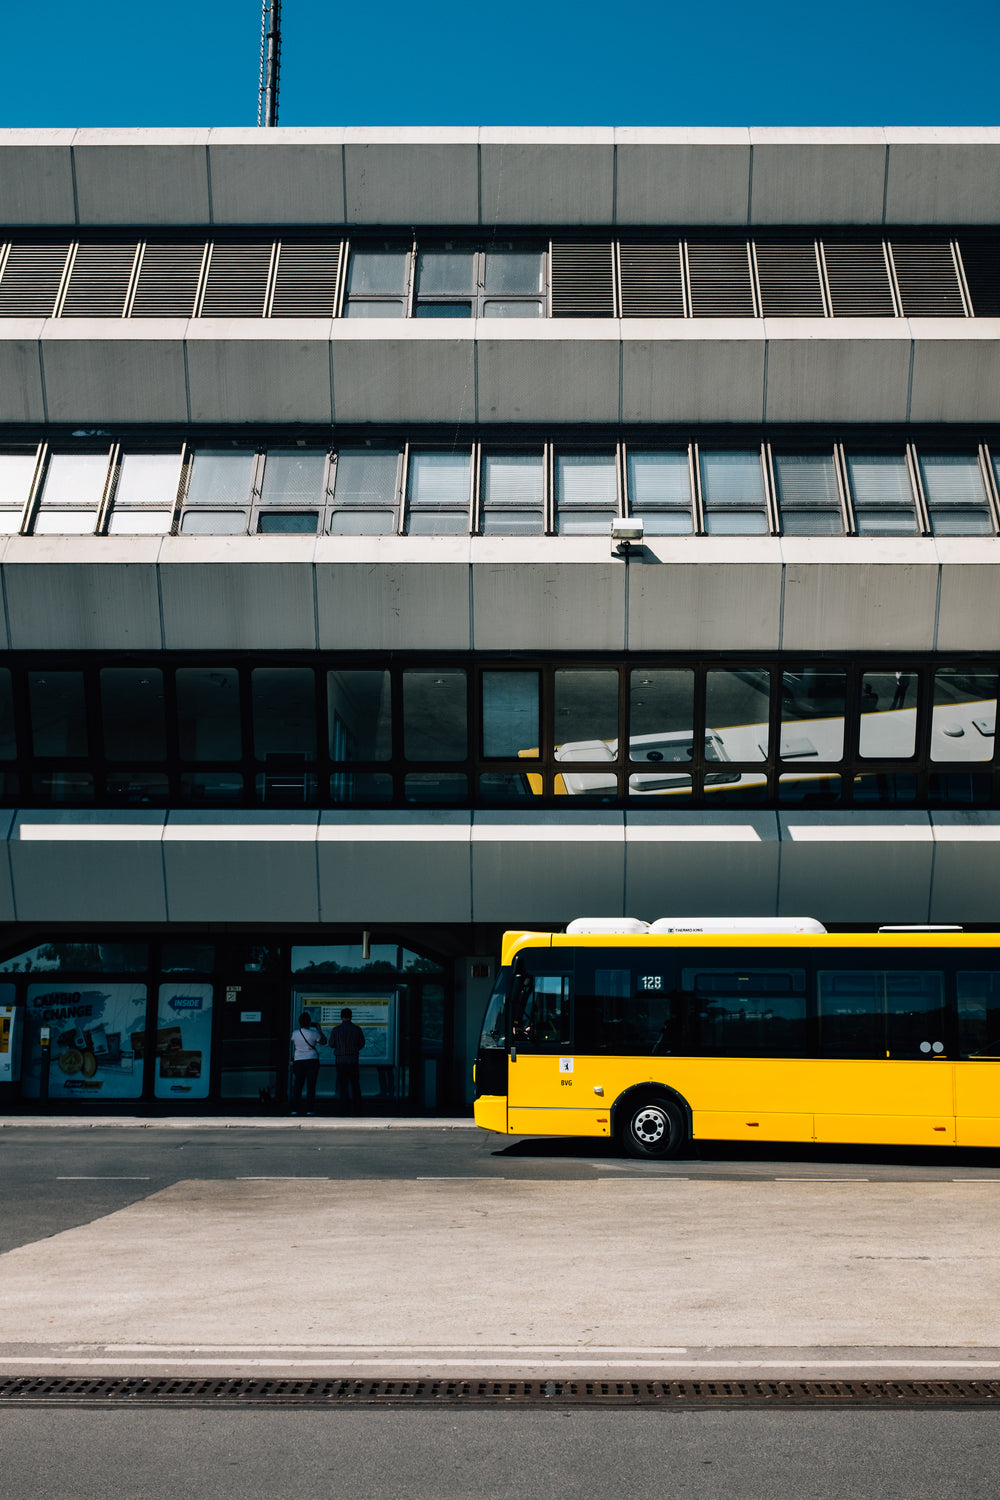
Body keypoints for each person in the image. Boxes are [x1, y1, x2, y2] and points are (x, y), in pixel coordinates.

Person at [329, 1007, 366, 1114]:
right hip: (353, 1059)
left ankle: (344, 1107)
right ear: (351, 1016)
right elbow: (362, 1043)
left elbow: (331, 1044)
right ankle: (357, 1107)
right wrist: (354, 1049)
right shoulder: (357, 1029)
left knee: (343, 1084)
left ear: (341, 1017)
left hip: (340, 1060)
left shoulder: (336, 1030)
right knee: (355, 1084)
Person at [290, 1010, 326, 1115]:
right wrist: (319, 1029)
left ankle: (295, 1109)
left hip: (298, 1061)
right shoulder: (314, 1033)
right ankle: (309, 1109)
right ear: (309, 1022)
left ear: (299, 1022)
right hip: (312, 1060)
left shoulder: (295, 1033)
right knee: (311, 1086)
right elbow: (324, 1041)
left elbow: (294, 1042)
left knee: (298, 1085)